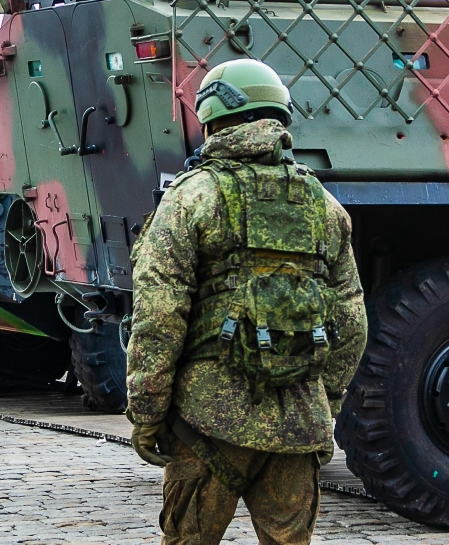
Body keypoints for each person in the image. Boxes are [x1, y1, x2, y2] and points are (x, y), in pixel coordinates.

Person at [125, 58, 368, 545]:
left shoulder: (191, 199)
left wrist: (147, 412)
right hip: (297, 424)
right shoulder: (324, 206)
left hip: (206, 425)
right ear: (280, 117)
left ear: (210, 119)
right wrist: (325, 403)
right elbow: (352, 323)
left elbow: (158, 316)